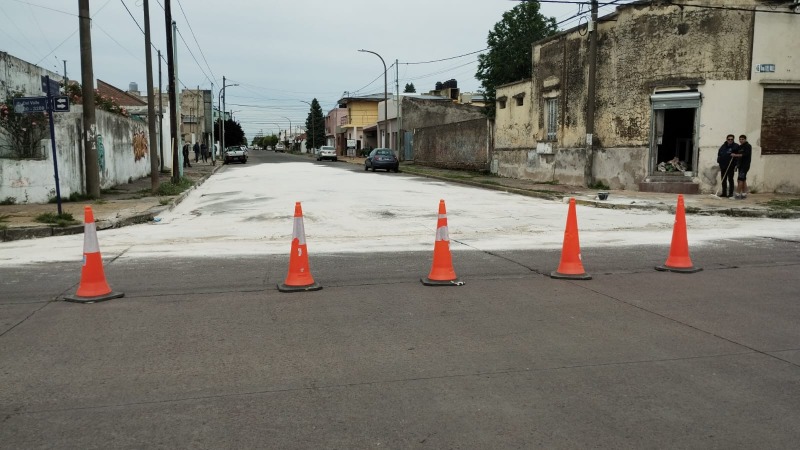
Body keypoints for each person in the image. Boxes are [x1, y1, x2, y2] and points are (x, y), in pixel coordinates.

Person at [732, 134, 752, 199]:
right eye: (740, 139)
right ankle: (744, 194)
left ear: (745, 139)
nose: (741, 140)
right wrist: (736, 166)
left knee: (739, 180)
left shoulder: (748, 146)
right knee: (743, 180)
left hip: (745, 165)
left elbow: (745, 155)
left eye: (742, 139)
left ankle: (737, 194)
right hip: (740, 165)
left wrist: (735, 155)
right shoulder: (740, 146)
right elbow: (739, 158)